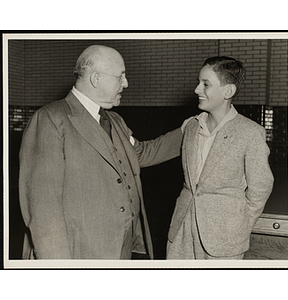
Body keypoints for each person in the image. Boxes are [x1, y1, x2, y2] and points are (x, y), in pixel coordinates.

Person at [19, 45, 183, 260]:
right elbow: (43, 209)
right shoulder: (51, 119)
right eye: (121, 76)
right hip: (78, 252)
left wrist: (187, 131)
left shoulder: (114, 120)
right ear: (96, 79)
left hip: (120, 247)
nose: (126, 83)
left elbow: (140, 154)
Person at [167, 56, 274, 260]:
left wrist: (239, 226)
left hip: (225, 239)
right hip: (181, 232)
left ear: (228, 91)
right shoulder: (191, 126)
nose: (197, 89)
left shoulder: (250, 133)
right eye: (198, 83)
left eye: (205, 84)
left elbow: (260, 187)